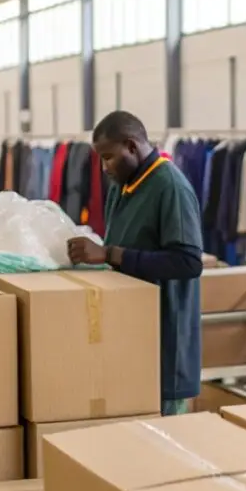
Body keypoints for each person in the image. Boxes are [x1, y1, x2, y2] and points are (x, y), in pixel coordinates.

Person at [67, 110, 204, 416]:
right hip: (132, 333)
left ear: (132, 146)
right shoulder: (124, 184)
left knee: (165, 441)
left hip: (164, 343)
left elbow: (188, 262)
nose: (104, 168)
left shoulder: (170, 187)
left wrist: (110, 254)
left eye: (108, 158)